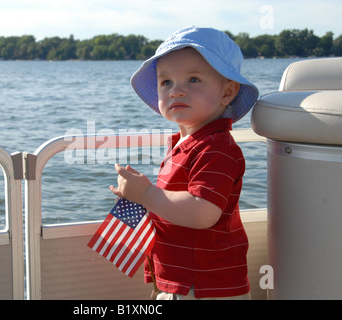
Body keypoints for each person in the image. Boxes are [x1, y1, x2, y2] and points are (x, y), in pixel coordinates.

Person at [109, 26, 259, 300]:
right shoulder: (186, 142)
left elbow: (203, 212)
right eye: (166, 82)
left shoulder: (216, 147)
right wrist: (140, 196)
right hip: (182, 280)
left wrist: (148, 194)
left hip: (204, 286)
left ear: (227, 93)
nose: (176, 91)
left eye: (192, 79)